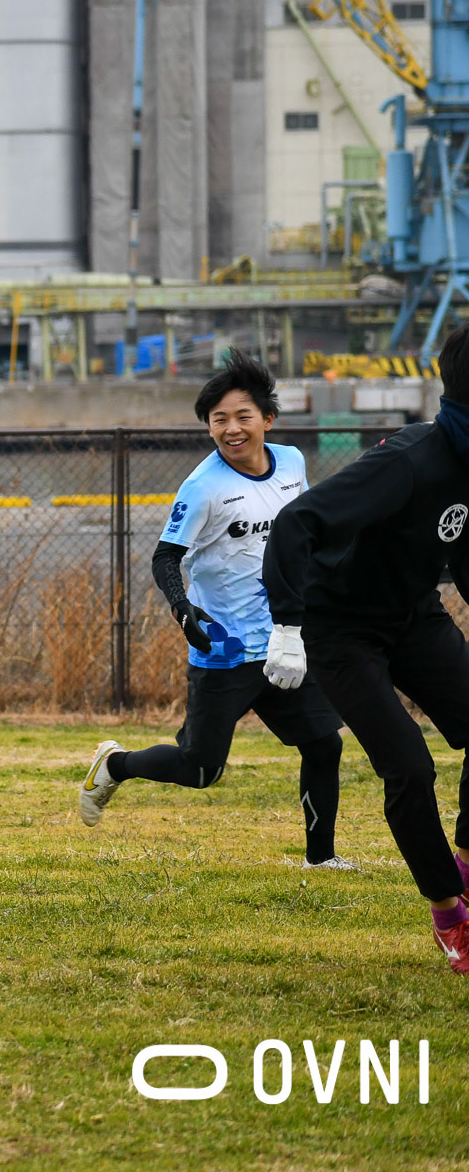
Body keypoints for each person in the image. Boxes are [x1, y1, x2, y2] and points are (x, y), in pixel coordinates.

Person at [78, 351, 349, 868]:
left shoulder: (292, 463)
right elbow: (165, 557)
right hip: (223, 646)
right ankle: (114, 765)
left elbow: (308, 531)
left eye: (243, 416)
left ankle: (321, 859)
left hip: (283, 638)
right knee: (201, 769)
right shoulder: (203, 487)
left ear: (268, 419)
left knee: (323, 744)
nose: (231, 429)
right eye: (218, 419)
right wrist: (182, 608)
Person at [263, 326, 469, 972]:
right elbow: (297, 522)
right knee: (409, 766)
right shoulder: (409, 460)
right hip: (339, 628)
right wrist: (286, 626)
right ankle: (450, 916)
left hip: (413, 615)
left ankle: (464, 867)